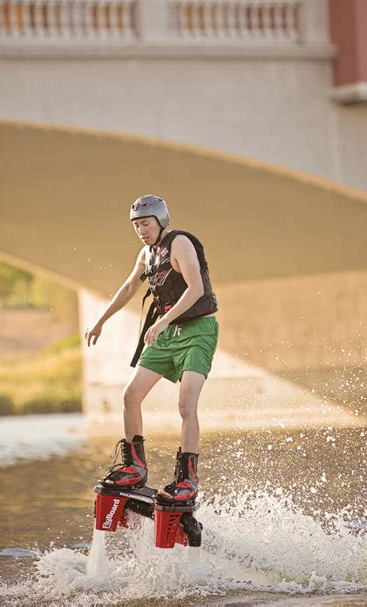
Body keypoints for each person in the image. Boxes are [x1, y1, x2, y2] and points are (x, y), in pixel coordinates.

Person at [85, 195, 218, 502]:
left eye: (145, 223)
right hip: (167, 334)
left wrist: (161, 322)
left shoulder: (180, 243)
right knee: (130, 396)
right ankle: (134, 467)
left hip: (199, 331)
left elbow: (196, 288)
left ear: (160, 221)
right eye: (136, 225)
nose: (141, 230)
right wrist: (100, 320)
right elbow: (129, 287)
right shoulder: (146, 254)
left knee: (186, 405)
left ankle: (187, 480)